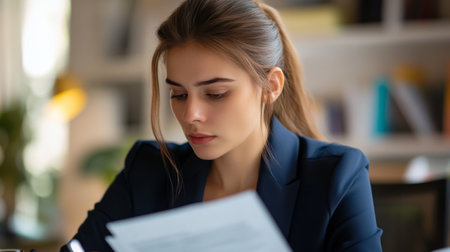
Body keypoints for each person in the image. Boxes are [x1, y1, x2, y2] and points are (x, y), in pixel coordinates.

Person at [61, 0, 382, 251]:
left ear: (271, 86)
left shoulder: (337, 176)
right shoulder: (147, 172)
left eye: (215, 94)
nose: (191, 115)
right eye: (179, 94)